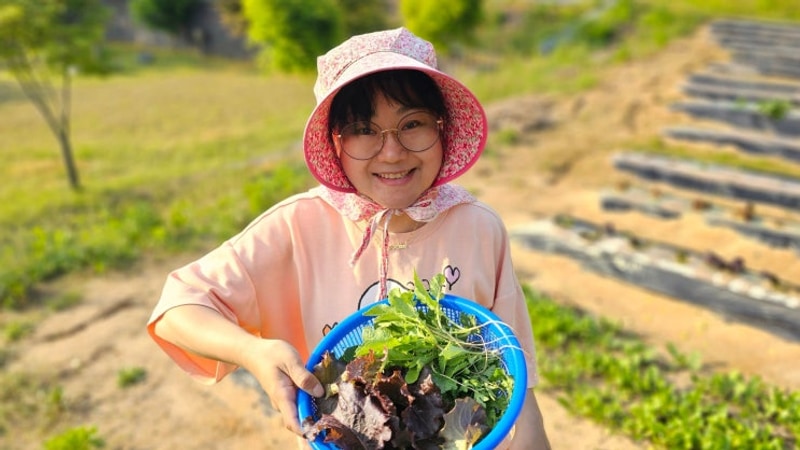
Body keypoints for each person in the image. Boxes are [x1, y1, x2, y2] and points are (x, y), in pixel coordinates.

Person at [147, 27, 551, 450]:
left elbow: (514, 373)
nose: (391, 152)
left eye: (411, 124)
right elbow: (177, 308)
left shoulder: (478, 228)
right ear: (335, 142)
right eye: (363, 129)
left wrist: (534, 436)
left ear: (441, 128)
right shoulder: (298, 228)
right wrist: (255, 353)